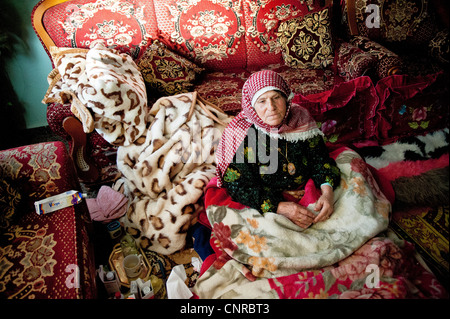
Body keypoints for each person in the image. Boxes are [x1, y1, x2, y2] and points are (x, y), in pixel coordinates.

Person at [215, 70, 341, 229]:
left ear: (286, 98)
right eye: (262, 101)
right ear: (251, 107)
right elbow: (239, 186)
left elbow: (320, 159)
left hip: (309, 188)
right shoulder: (241, 135)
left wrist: (327, 194)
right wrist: (281, 207)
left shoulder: (300, 119)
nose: (271, 107)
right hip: (266, 199)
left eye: (276, 98)